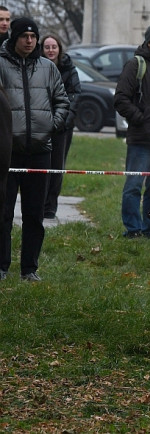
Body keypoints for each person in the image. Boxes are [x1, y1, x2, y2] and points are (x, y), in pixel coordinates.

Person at [0, 17, 70, 281]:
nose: (29, 41)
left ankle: (29, 268)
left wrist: (52, 124)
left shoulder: (47, 68)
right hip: (7, 152)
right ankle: (2, 266)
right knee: (4, 213)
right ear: (14, 38)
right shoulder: (1, 64)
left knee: (34, 214)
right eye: (24, 37)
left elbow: (62, 101)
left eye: (33, 37)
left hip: (41, 150)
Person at [114, 23, 150, 240]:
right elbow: (120, 99)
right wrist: (140, 119)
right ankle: (133, 229)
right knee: (133, 187)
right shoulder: (136, 65)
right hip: (141, 140)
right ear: (149, 41)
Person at [40, 35, 81, 220]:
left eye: (53, 47)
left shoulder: (69, 69)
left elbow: (75, 96)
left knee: (57, 166)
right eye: (47, 47)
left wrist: (63, 120)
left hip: (62, 127)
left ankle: (50, 207)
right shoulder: (37, 66)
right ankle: (37, 203)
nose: (50, 50)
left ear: (59, 49)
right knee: (40, 166)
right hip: (40, 126)